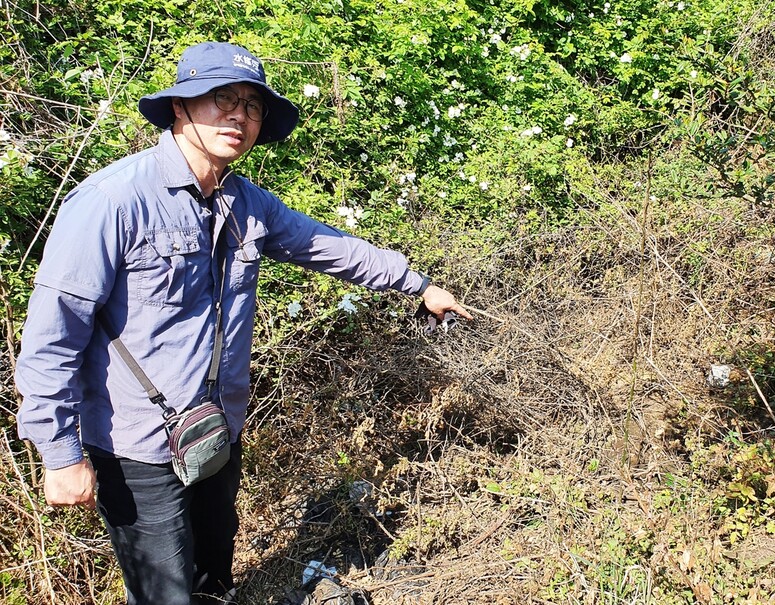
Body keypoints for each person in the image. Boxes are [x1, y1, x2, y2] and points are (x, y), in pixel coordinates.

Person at [14, 41, 471, 605]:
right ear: (180, 108)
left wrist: (419, 285)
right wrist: (59, 453)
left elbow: (326, 246)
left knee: (213, 576)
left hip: (215, 429)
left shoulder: (243, 202)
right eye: (221, 99)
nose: (239, 116)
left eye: (252, 106)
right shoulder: (112, 201)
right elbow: (51, 336)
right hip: (136, 448)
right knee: (165, 594)